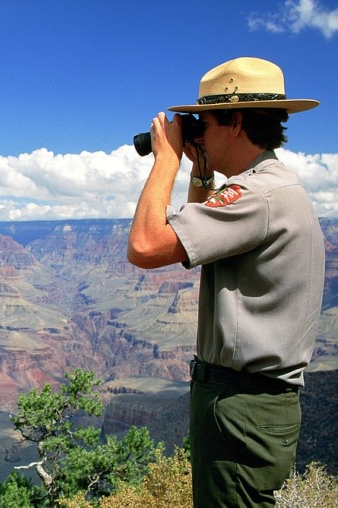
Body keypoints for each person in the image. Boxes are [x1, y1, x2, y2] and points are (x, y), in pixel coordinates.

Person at [127, 56, 325, 507]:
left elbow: (144, 246)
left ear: (235, 121)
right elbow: (199, 242)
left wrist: (167, 161)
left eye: (205, 121)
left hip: (241, 405)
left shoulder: (257, 195)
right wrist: (200, 171)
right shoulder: (269, 187)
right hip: (246, 403)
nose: (198, 130)